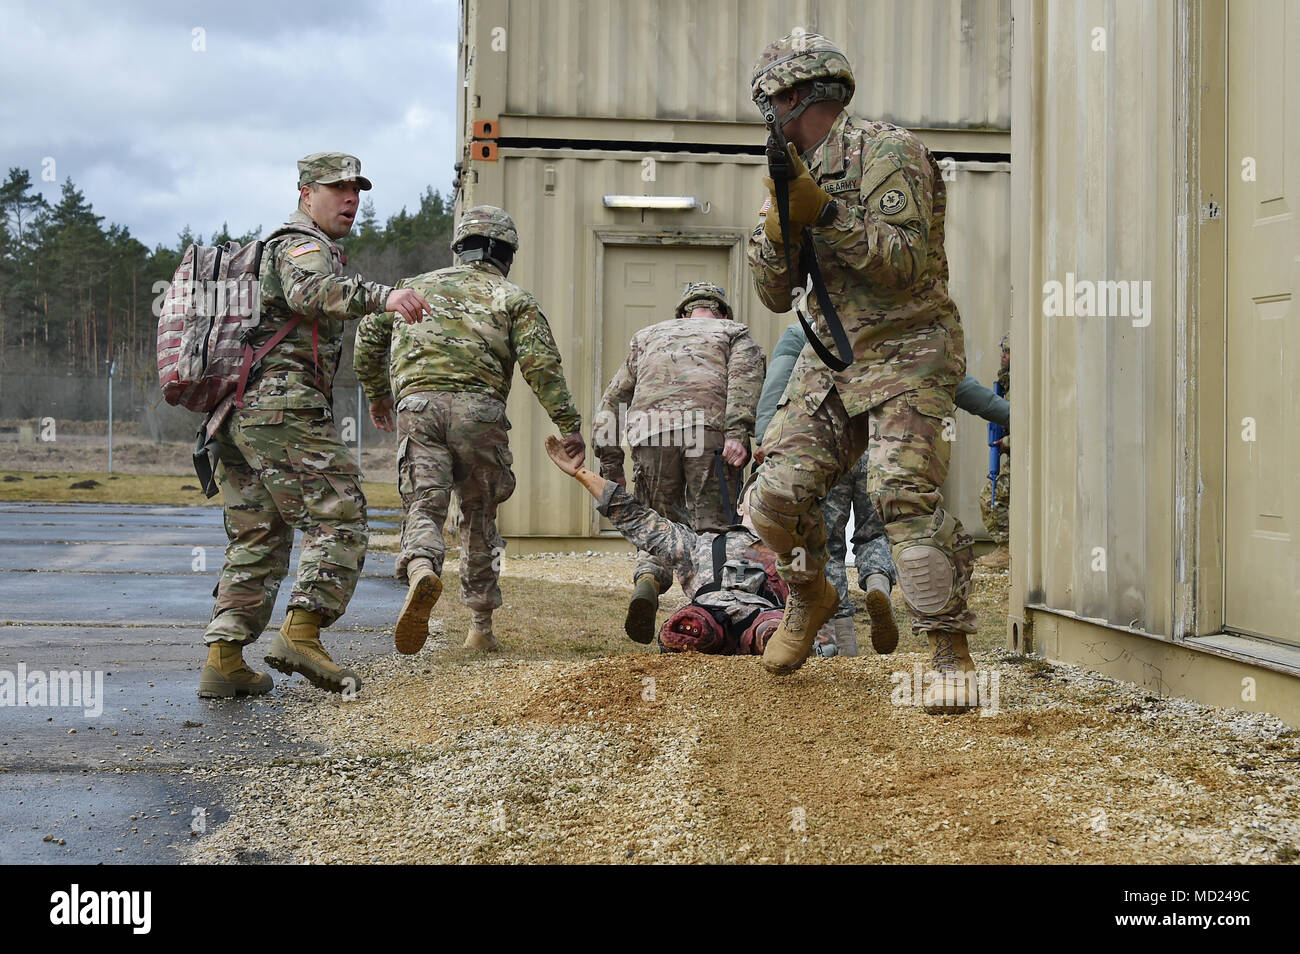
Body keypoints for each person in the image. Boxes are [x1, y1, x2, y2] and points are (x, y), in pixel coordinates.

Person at [746, 33, 979, 713]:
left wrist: (828, 214)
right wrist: (780, 232)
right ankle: (811, 593)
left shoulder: (887, 150)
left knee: (900, 493)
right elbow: (772, 293)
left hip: (910, 349)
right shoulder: (792, 167)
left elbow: (904, 265)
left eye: (772, 97)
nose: (769, 111)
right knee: (772, 499)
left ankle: (949, 652)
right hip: (834, 354)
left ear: (796, 93)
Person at [198, 152, 432, 699]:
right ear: (306, 194)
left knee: (259, 532)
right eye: (337, 189)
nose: (350, 199)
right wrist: (384, 297)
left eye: (356, 191)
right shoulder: (302, 246)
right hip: (281, 410)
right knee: (342, 512)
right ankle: (301, 634)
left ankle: (225, 659)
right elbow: (311, 293)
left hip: (240, 412)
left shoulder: (280, 247)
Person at [354, 205, 584, 654]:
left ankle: (421, 567)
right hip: (480, 414)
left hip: (417, 407)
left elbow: (367, 338)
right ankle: (480, 627)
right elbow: (544, 368)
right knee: (479, 516)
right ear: (506, 254)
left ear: (459, 248)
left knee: (424, 501)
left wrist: (378, 395)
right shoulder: (513, 298)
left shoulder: (409, 288)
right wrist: (569, 426)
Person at [755, 324, 1012, 659]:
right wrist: (1011, 416)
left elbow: (778, 378)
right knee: (878, 531)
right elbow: (961, 386)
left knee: (828, 540)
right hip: (885, 443)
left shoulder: (806, 330)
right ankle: (878, 586)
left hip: (830, 443)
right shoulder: (906, 328)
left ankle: (842, 644)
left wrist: (765, 437)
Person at [594, 281, 765, 644]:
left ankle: (648, 581)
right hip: (707, 434)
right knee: (715, 532)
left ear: (684, 312)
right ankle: (712, 615)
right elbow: (744, 381)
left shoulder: (647, 336)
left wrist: (611, 465)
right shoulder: (734, 333)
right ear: (721, 311)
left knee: (658, 525)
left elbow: (611, 403)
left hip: (650, 435)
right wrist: (737, 434)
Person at [546, 436, 786, 654]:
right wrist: (582, 473)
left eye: (774, 495)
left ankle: (773, 640)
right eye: (758, 491)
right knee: (691, 624)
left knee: (777, 630)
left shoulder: (796, 554)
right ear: (740, 506)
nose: (765, 498)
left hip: (765, 617)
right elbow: (639, 520)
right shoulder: (698, 544)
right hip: (707, 615)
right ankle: (691, 633)